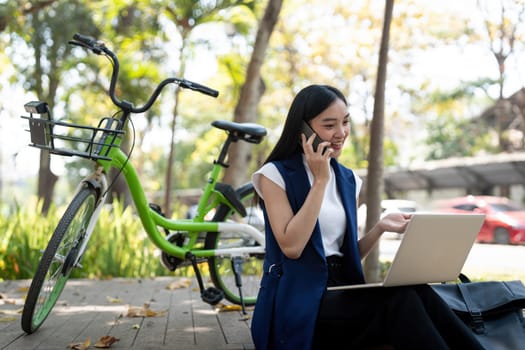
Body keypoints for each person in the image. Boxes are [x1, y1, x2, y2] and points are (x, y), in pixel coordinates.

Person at [250, 84, 484, 350]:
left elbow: (345, 255)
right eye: (329, 125)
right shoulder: (274, 175)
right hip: (298, 301)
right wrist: (320, 181)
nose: (341, 133)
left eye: (346, 122)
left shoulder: (349, 180)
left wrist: (380, 228)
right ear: (303, 129)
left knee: (417, 290)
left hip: (343, 291)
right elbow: (292, 247)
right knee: (400, 302)